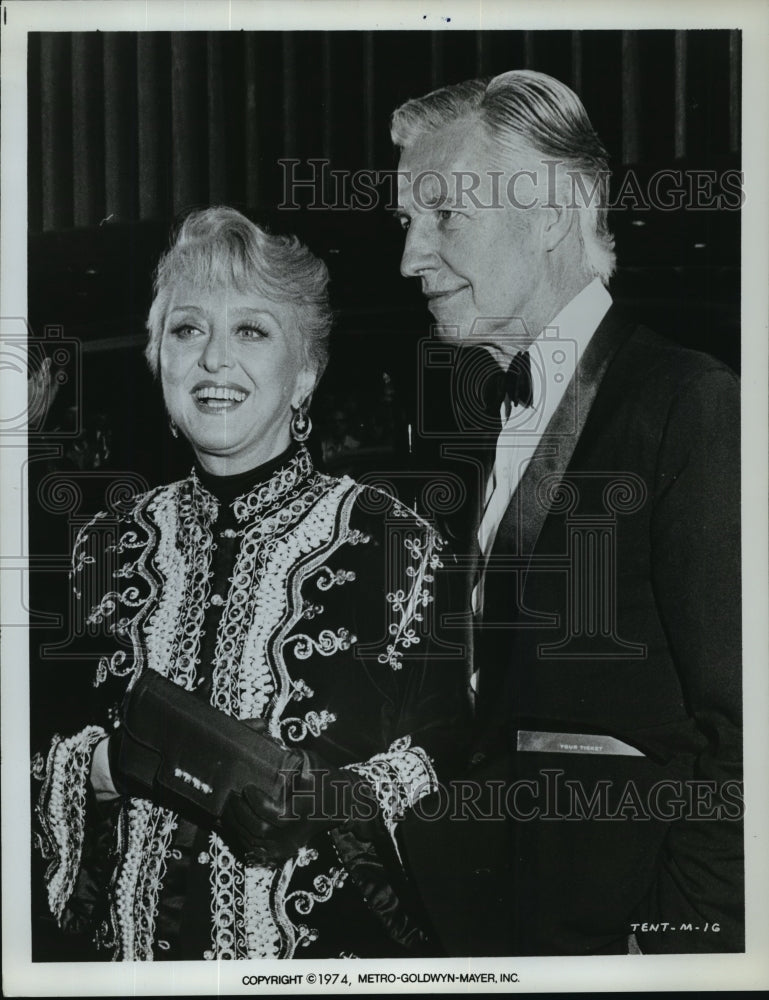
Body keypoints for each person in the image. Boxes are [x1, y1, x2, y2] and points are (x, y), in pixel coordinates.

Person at [32, 206, 469, 961]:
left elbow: (452, 752)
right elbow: (33, 752)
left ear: (304, 372)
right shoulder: (101, 548)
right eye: (187, 329)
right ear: (156, 357)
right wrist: (107, 766)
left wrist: (331, 798)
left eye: (251, 331)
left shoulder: (396, 543)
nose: (213, 360)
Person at [391, 70, 743, 955]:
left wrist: (680, 941)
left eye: (444, 216)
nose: (409, 259)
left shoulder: (690, 403)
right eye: (406, 222)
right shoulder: (487, 427)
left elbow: (748, 727)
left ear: (549, 215)